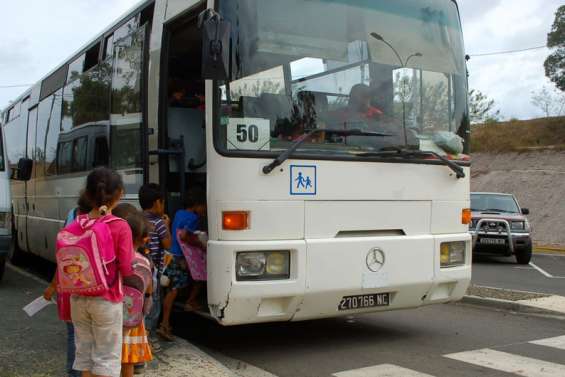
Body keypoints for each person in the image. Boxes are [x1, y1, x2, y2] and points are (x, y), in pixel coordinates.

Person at [70, 167, 135, 377]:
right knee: (106, 359)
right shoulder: (120, 226)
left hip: (78, 297)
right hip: (106, 298)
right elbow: (126, 268)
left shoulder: (76, 223)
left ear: (87, 194)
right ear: (119, 194)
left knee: (85, 357)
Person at [43, 193, 92, 377]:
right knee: (88, 337)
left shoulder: (68, 228)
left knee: (73, 335)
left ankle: (73, 373)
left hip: (68, 291)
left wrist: (52, 286)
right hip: (90, 291)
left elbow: (61, 263)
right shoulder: (97, 230)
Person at [157, 187, 207, 341]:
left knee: (171, 290)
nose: (204, 209)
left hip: (170, 256)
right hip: (180, 258)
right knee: (199, 277)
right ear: (197, 205)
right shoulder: (193, 218)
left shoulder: (178, 213)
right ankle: (167, 322)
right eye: (203, 206)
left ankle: (164, 322)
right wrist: (200, 244)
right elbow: (185, 236)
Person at [116, 210, 153, 377]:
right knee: (128, 360)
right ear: (143, 238)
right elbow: (149, 292)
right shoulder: (144, 261)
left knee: (108, 358)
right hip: (133, 319)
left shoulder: (113, 257)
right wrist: (144, 312)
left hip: (112, 316)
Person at [138, 184, 171, 351]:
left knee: (140, 304)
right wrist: (167, 225)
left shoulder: (137, 219)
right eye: (163, 203)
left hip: (138, 270)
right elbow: (167, 243)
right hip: (153, 272)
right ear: (158, 203)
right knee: (153, 305)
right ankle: (148, 339)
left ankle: (140, 336)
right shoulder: (159, 222)